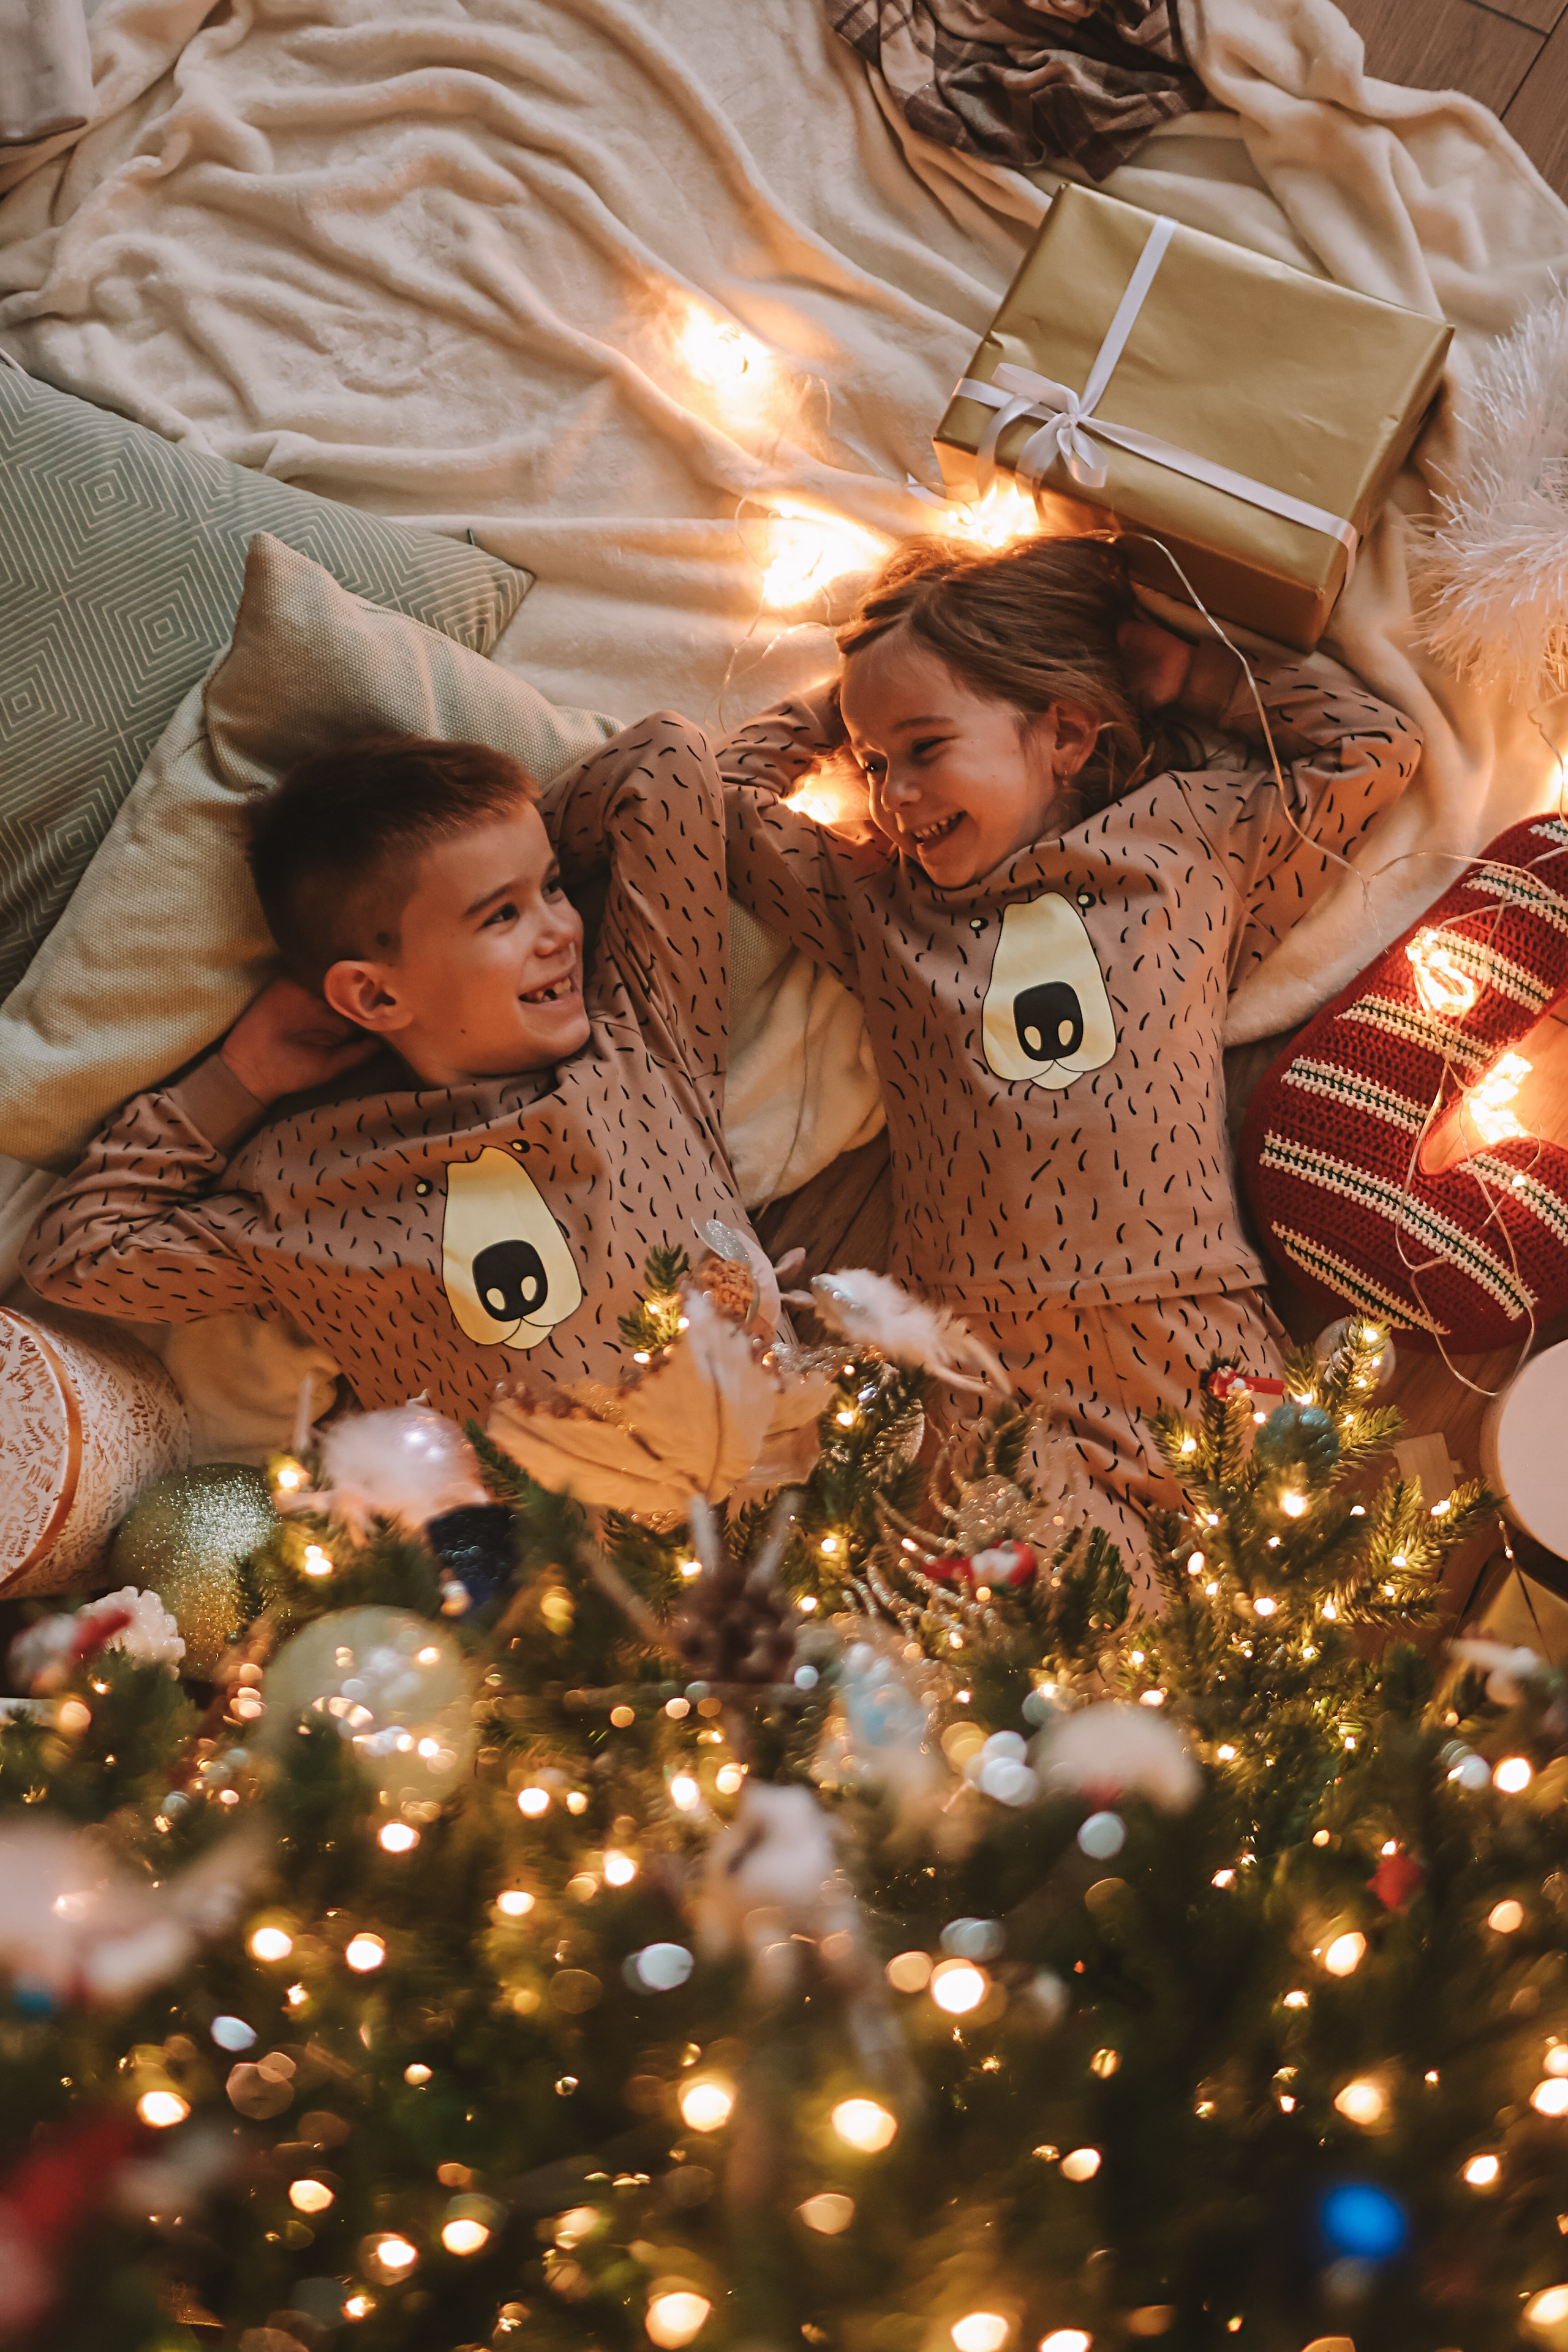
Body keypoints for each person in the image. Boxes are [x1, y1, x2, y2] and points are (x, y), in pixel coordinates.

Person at [718, 535, 1422, 1558]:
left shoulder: (1186, 845)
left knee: (1256, 1596)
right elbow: (721, 800)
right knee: (1021, 1652)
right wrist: (840, 702)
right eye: (873, 765)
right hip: (972, 1356)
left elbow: (1375, 748)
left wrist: (1196, 677)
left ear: (1065, 734)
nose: (893, 794)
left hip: (1178, 1315)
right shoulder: (881, 908)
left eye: (924, 746)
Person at [24, 723, 758, 1420]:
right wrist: (239, 1078)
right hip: (551, 1550)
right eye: (501, 916)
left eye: (555, 887)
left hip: (824, 1479)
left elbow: (663, 761)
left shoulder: (641, 1038)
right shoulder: (311, 1191)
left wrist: (476, 860)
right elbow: (76, 1255)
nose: (563, 931)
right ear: (373, 993)